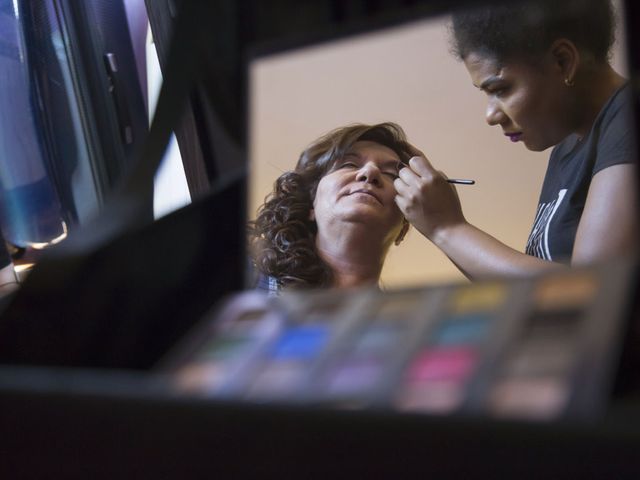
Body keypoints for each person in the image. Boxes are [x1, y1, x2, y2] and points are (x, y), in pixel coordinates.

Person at [394, 0, 637, 279]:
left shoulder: (628, 121)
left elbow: (594, 290)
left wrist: (446, 228)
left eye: (500, 89)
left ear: (563, 61)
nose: (491, 115)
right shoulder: (567, 146)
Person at [249, 123, 413, 293]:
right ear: (311, 204)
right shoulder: (246, 277)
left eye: (391, 175)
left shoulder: (404, 317)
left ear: (403, 228)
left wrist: (440, 226)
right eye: (349, 164)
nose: (370, 172)